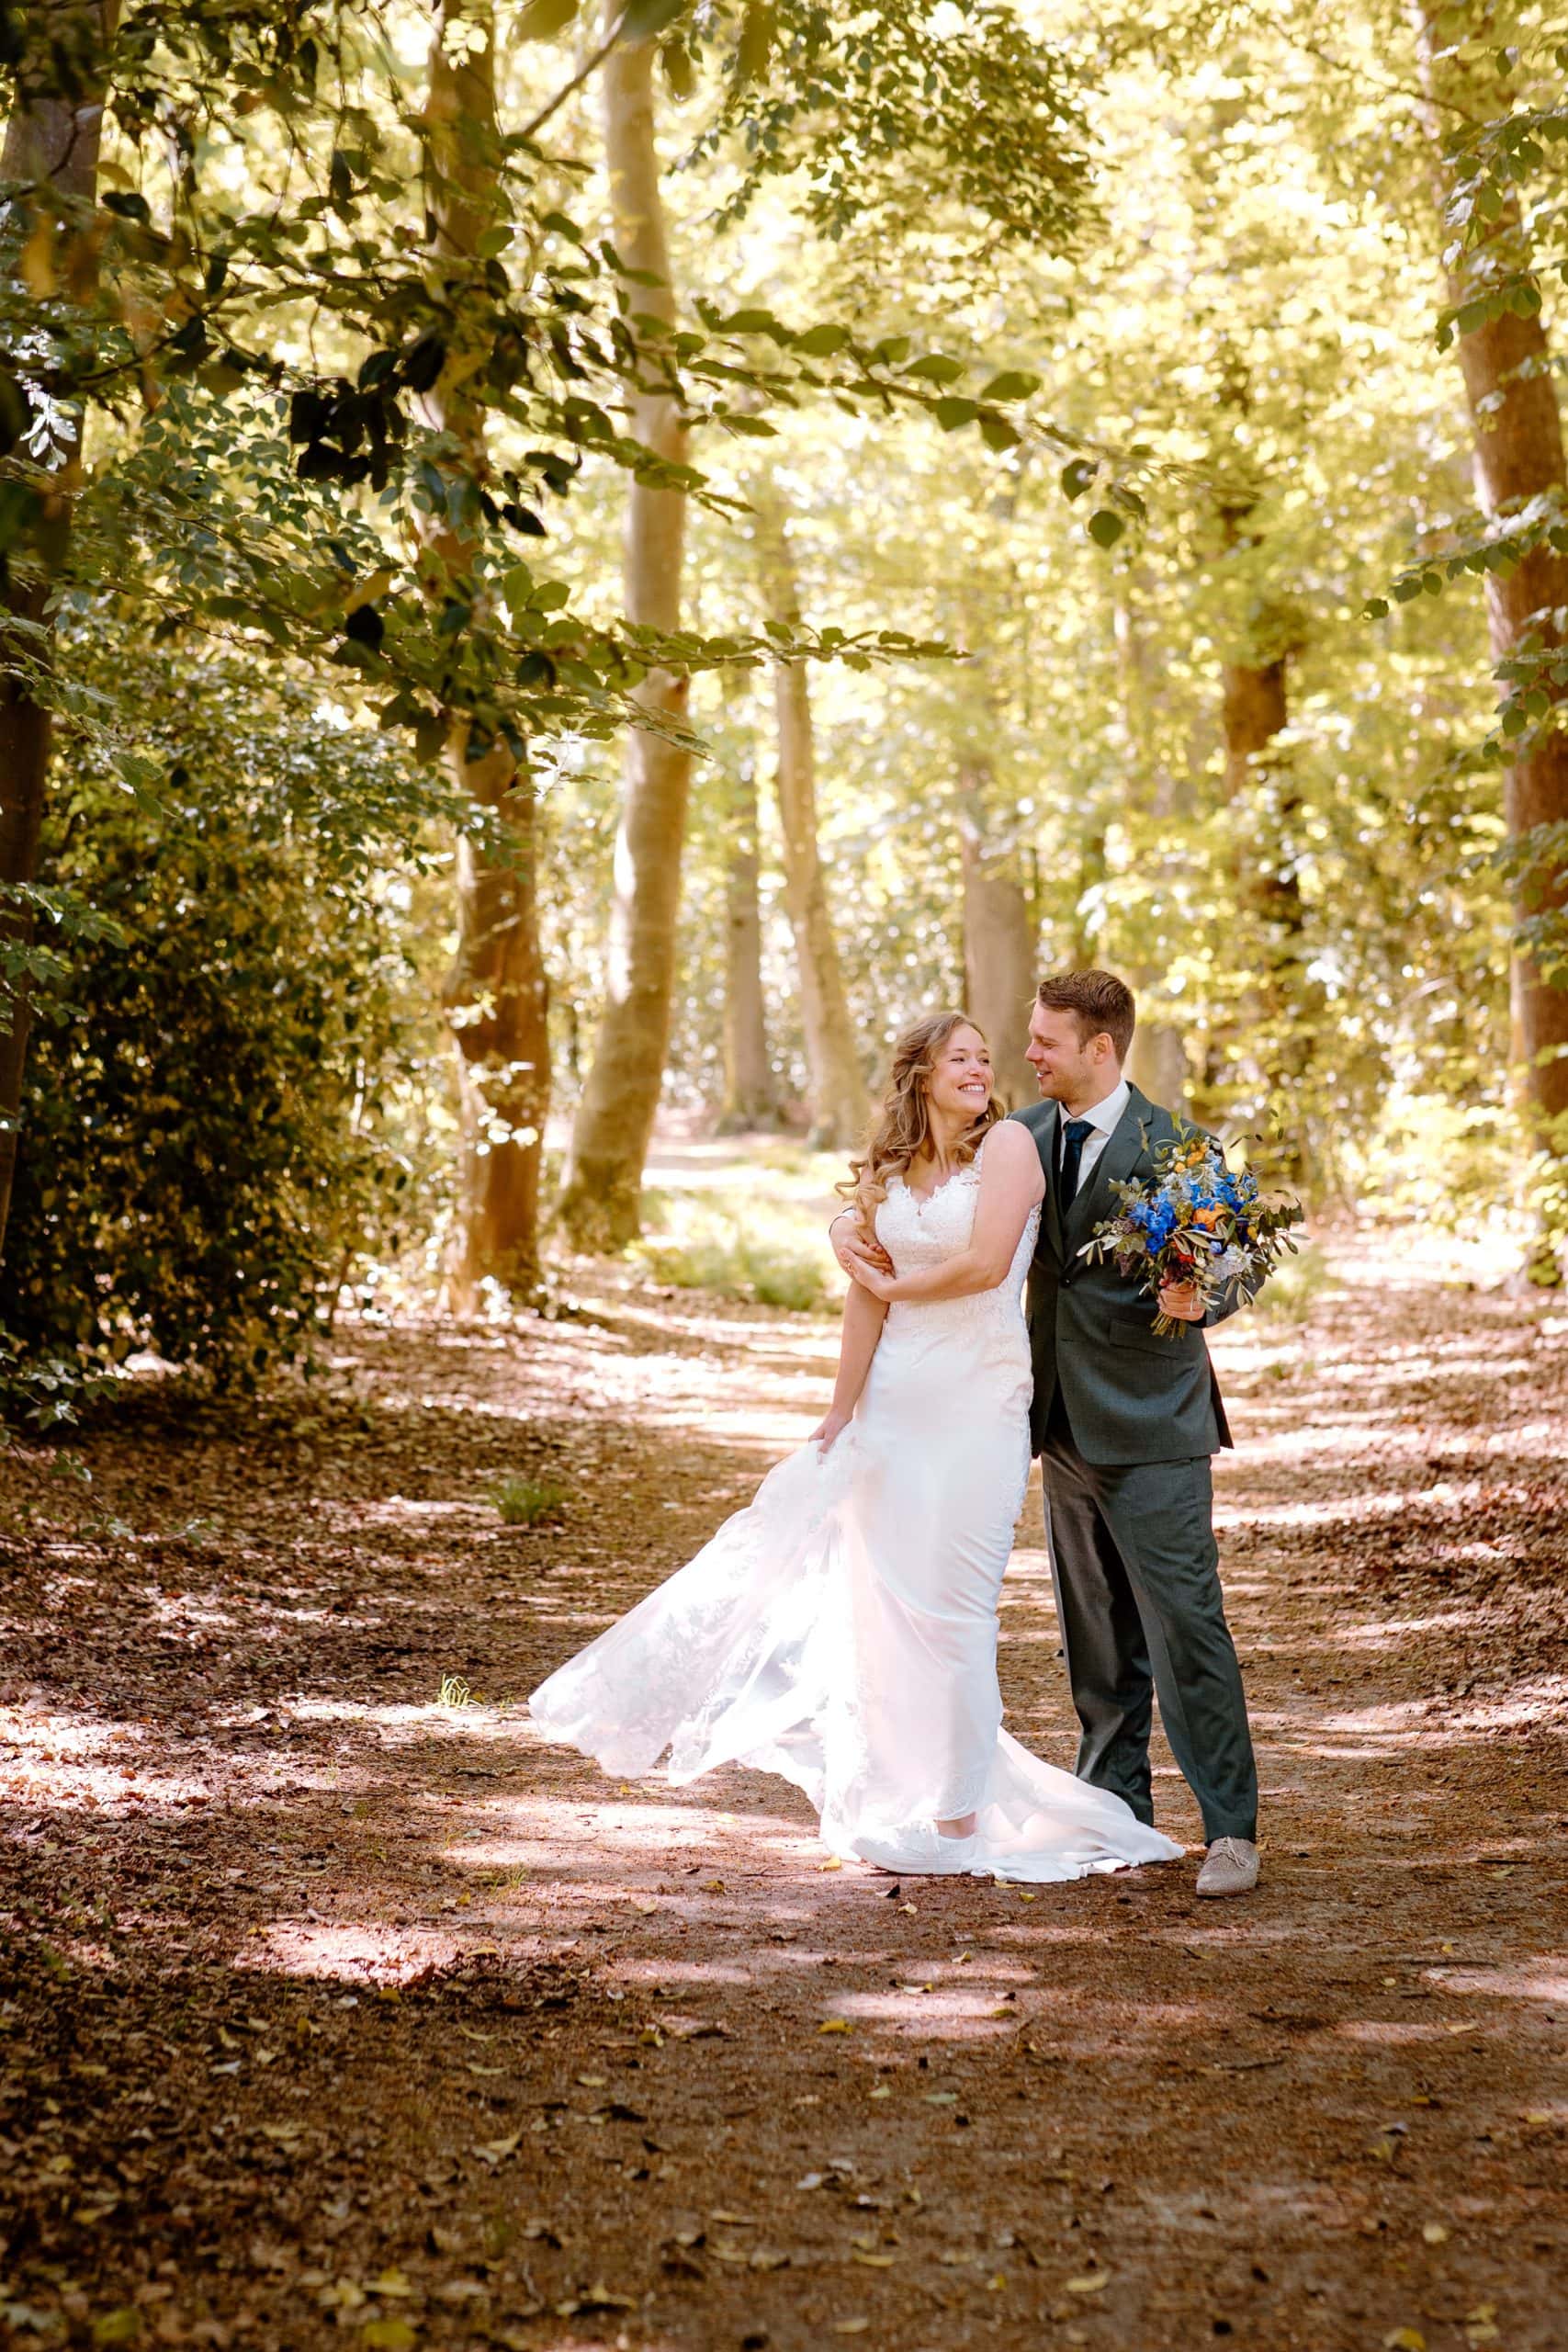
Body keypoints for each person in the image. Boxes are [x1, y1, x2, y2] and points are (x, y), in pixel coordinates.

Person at [529, 1010, 1179, 1883]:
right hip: (893, 1409)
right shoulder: (884, 1173)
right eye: (961, 1058)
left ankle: (958, 1826)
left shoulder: (1012, 1150)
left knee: (957, 1614)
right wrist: (840, 1413)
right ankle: (908, 1799)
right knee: (886, 1615)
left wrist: (892, 1278)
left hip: (980, 1405)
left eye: (987, 1058)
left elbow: (986, 1267)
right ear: (918, 1074)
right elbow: (864, 1301)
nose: (981, 1070)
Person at [832, 971, 1262, 1900]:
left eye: (1045, 1043)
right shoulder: (1015, 1137)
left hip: (1153, 1423)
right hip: (1053, 1417)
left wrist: (1206, 1292)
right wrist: (842, 1222)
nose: (1027, 1056)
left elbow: (1235, 1259)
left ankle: (1231, 1829)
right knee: (1095, 1637)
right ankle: (1116, 1807)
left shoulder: (1177, 1146)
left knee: (1185, 1626)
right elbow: (912, 1173)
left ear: (1100, 1049)